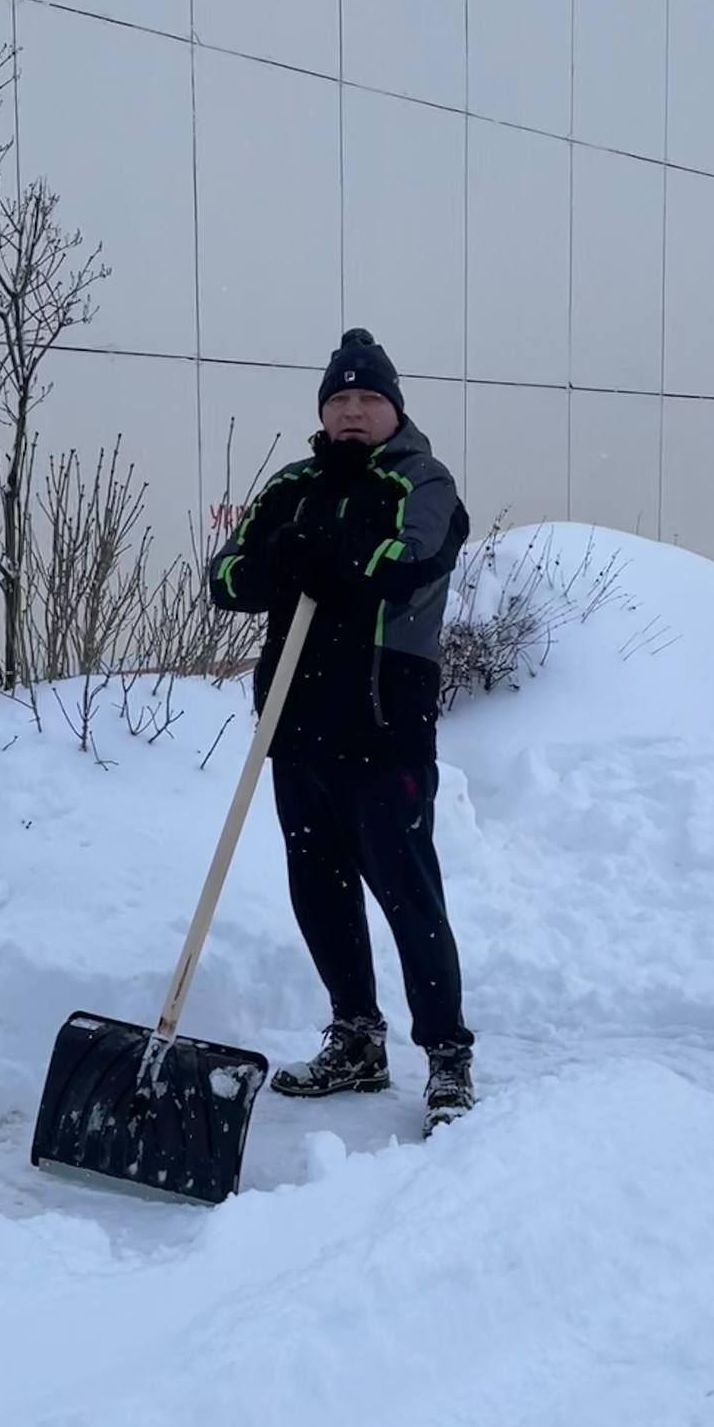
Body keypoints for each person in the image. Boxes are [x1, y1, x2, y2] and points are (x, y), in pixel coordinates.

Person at [208, 330, 476, 1134]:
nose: (353, 411)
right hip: (296, 725)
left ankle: (448, 1055)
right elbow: (227, 579)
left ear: (394, 408)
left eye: (368, 398)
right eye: (339, 399)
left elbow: (414, 559)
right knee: (318, 891)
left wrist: (334, 553)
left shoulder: (422, 480)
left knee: (408, 895)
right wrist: (282, 556)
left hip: (384, 720)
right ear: (322, 410)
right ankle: (356, 1038)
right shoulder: (292, 486)